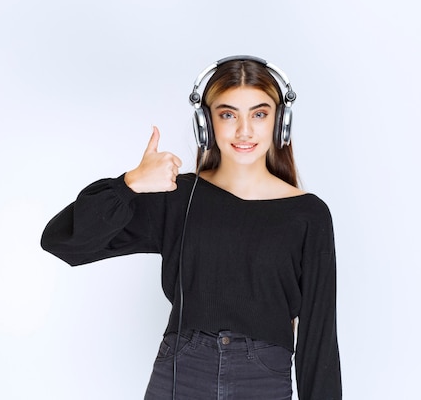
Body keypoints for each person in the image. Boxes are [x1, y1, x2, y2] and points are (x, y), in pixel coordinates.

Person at [41, 56, 342, 399]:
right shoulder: (176, 196)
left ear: (280, 121)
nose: (244, 130)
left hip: (262, 382)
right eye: (228, 114)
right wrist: (130, 184)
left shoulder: (308, 215)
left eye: (259, 114)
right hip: (181, 375)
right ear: (206, 122)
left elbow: (319, 341)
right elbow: (62, 241)